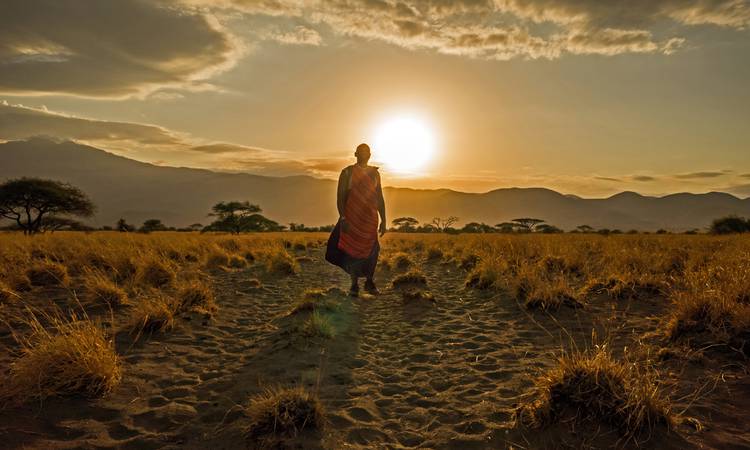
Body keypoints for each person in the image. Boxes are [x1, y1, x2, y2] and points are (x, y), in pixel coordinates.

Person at [325, 143, 386, 296]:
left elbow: (379, 197)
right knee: (352, 251)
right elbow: (340, 198)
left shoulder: (374, 174)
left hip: (370, 219)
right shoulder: (347, 173)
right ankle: (354, 285)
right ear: (355, 154)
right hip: (352, 217)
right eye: (361, 152)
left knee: (373, 250)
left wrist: (384, 219)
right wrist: (343, 217)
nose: (364, 154)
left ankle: (369, 282)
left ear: (370, 155)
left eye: (367, 152)